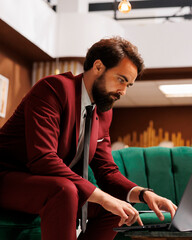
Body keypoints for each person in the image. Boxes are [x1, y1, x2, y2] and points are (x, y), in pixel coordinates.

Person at [0, 37, 177, 240]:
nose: (123, 91)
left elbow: (107, 170)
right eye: (121, 79)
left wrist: (144, 194)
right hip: (8, 176)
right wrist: (102, 198)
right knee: (65, 190)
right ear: (98, 67)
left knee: (119, 208)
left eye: (129, 84)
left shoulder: (103, 112)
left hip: (48, 184)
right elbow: (44, 159)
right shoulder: (53, 89)